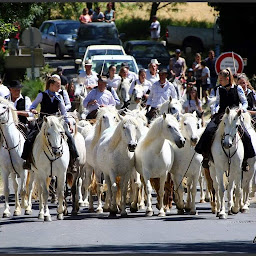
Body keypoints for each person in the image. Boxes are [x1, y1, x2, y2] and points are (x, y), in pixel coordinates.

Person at [195, 68, 255, 172]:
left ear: (228, 78)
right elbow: (217, 103)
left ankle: (245, 160)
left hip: (235, 116)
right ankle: (205, 156)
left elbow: (244, 102)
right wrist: (214, 110)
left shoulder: (238, 88)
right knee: (208, 130)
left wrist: (242, 109)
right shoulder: (219, 89)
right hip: (222, 114)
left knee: (246, 135)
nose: (219, 81)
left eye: (221, 79)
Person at [21, 76, 79, 172]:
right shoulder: (42, 95)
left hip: (57, 121)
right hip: (44, 121)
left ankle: (73, 162)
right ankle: (27, 160)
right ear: (51, 85)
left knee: (70, 137)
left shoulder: (59, 96)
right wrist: (33, 110)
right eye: (57, 86)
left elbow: (64, 112)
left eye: (59, 86)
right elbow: (32, 106)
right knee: (30, 138)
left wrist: (68, 123)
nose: (59, 88)